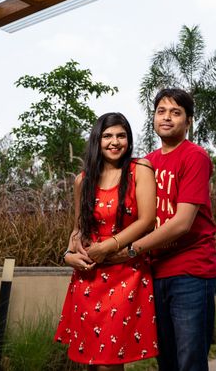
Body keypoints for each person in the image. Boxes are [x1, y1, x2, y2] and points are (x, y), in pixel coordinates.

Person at [119, 88, 216, 371]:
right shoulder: (145, 163)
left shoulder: (194, 156)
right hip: (155, 271)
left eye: (176, 113)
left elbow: (182, 222)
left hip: (191, 271)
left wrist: (131, 249)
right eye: (161, 111)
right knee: (167, 360)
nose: (167, 118)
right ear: (153, 118)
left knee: (189, 361)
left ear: (188, 121)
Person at [56, 112, 158, 369]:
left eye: (121, 135)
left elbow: (147, 220)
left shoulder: (140, 170)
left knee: (108, 361)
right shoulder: (82, 180)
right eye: (107, 136)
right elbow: (78, 229)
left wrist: (108, 246)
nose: (115, 141)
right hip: (89, 276)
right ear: (97, 140)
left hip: (126, 273)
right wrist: (69, 255)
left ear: (129, 139)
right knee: (90, 359)